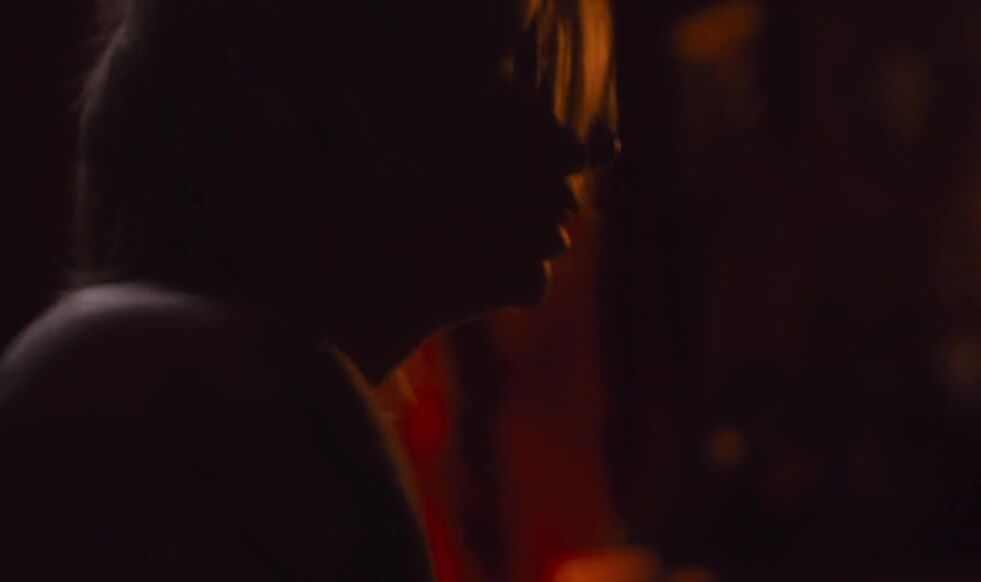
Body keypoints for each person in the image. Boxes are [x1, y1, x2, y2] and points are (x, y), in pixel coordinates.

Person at [0, 0, 617, 579]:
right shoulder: (256, 408)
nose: (595, 143)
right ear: (363, 91)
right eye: (526, 67)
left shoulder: (160, 373)